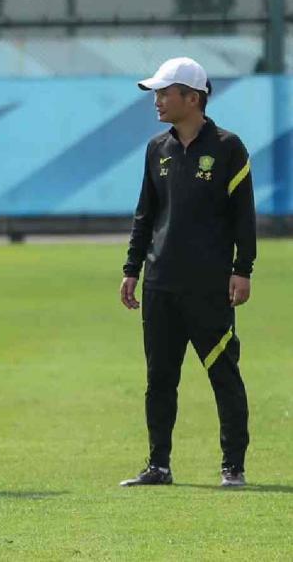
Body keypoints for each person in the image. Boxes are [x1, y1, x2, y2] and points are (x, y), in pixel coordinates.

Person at [118, 57, 256, 488]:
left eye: (164, 93)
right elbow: (145, 214)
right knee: (159, 380)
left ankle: (233, 467)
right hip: (160, 285)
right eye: (156, 93)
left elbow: (244, 216)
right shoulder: (156, 149)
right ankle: (158, 465)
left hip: (209, 287)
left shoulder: (229, 148)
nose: (157, 101)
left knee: (223, 375)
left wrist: (243, 270)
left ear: (192, 98)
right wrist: (132, 269)